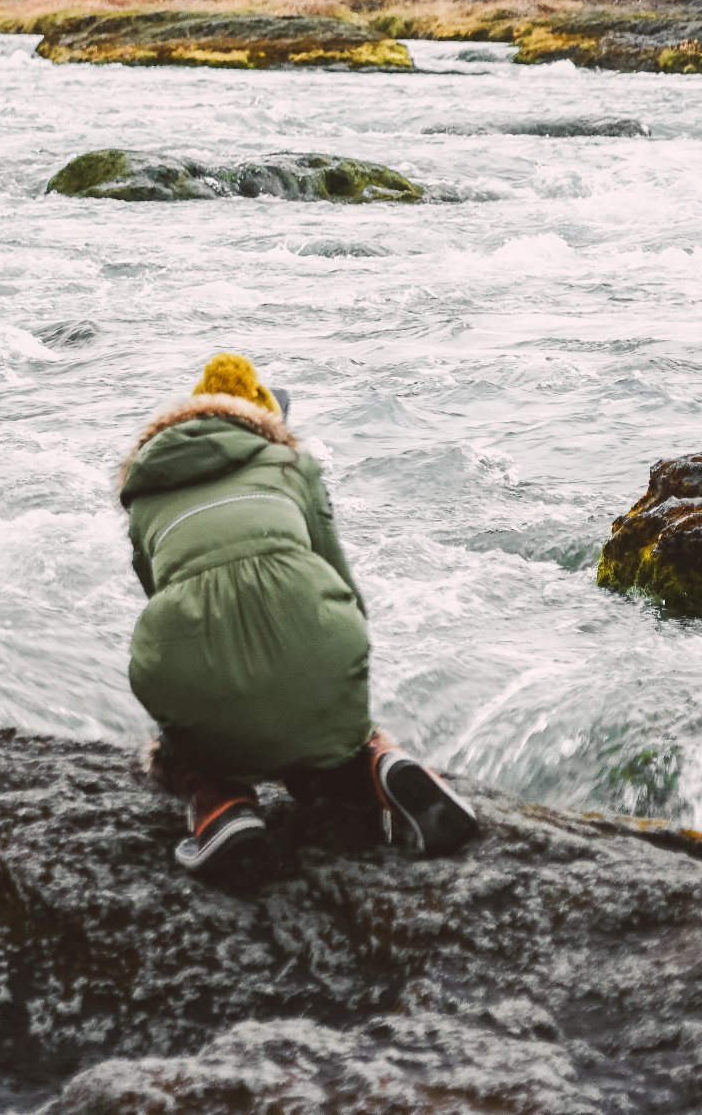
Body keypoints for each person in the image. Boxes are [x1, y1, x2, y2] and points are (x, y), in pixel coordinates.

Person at [120, 353, 479, 871]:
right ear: (265, 422)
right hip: (315, 642)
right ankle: (377, 760)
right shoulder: (291, 463)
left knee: (187, 738)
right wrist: (333, 689)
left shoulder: (143, 491)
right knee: (332, 732)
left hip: (192, 668)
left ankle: (219, 805)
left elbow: (159, 595)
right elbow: (342, 583)